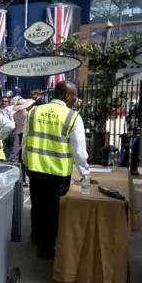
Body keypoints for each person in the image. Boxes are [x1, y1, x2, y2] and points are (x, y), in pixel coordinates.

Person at [22, 81, 90, 259]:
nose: (76, 99)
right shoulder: (73, 117)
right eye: (75, 95)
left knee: (37, 205)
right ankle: (46, 249)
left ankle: (36, 236)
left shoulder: (34, 112)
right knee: (52, 211)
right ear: (67, 95)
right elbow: (79, 151)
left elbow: (25, 141)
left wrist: (25, 163)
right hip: (58, 174)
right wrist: (86, 175)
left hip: (35, 169)